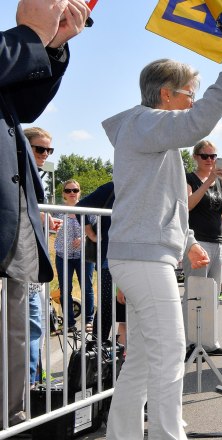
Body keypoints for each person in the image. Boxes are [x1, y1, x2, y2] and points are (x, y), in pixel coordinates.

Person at [103, 45, 222, 440]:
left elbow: (162, 201)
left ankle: (123, 435)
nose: (193, 100)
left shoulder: (149, 133)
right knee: (169, 352)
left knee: (146, 359)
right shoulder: (146, 123)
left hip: (144, 254)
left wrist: (185, 241)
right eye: (189, 92)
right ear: (166, 93)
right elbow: (195, 125)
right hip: (145, 258)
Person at [1, 0, 89, 424]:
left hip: (11, 222)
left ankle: (11, 416)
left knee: (15, 331)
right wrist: (29, 37)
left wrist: (51, 47)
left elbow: (24, 106)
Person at [184, 139, 222, 356]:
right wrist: (208, 182)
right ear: (196, 157)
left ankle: (209, 342)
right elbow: (187, 204)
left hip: (218, 241)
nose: (210, 160)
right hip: (197, 242)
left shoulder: (221, 181)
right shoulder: (188, 178)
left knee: (213, 294)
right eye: (205, 156)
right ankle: (190, 342)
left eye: (213, 156)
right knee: (195, 293)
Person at [23, 127, 62, 385]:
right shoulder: (19, 177)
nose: (45, 154)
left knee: (36, 324)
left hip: (36, 262)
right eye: (40, 149)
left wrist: (46, 220)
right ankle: (28, 385)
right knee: (32, 324)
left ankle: (32, 380)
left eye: (49, 150)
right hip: (23, 261)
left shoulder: (35, 178)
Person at [76, 181, 127, 350]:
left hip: (136, 257)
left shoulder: (147, 185)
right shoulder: (112, 187)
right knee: (107, 305)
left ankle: (122, 353)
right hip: (109, 257)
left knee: (130, 308)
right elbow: (81, 207)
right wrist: (90, 234)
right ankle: (96, 352)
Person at [54, 179, 97, 333]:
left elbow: (97, 229)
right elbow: (45, 222)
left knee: (87, 288)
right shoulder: (56, 211)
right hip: (62, 255)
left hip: (84, 256)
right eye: (68, 190)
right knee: (65, 289)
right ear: (63, 193)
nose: (72, 193)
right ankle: (69, 323)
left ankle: (88, 321)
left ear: (80, 192)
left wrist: (85, 237)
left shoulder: (88, 209)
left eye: (75, 190)